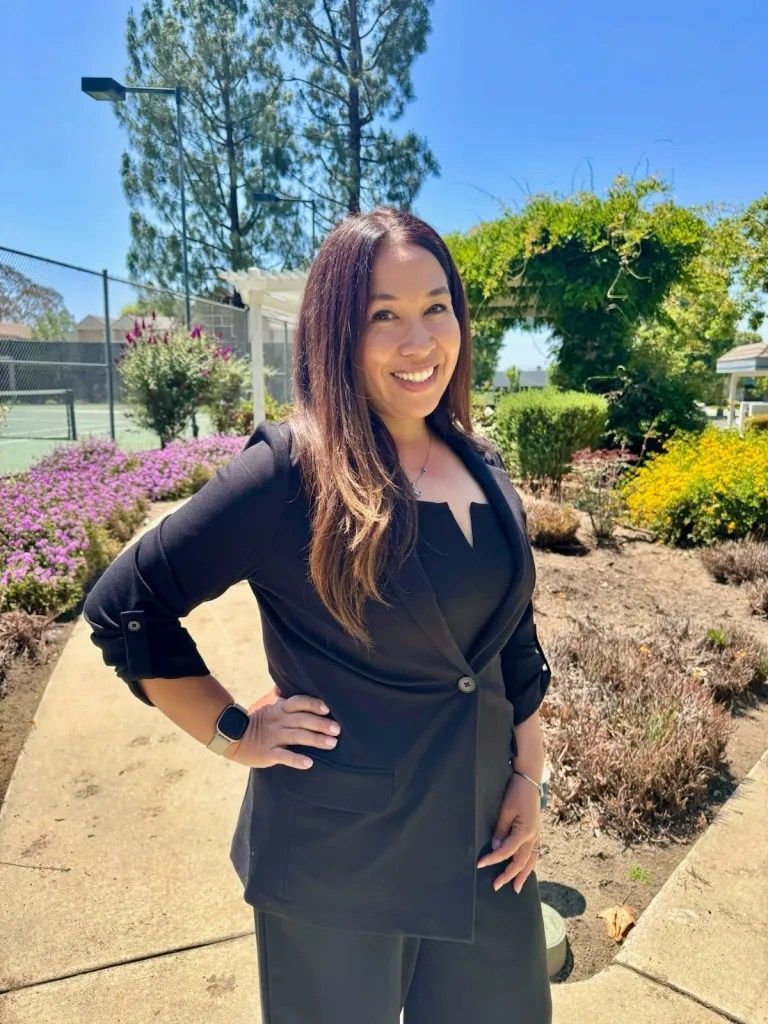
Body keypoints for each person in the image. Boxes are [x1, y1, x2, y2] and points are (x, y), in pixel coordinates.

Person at [83, 205, 553, 1023]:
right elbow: (127, 605)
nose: (420, 342)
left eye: (436, 306)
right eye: (384, 316)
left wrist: (526, 775)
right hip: (341, 863)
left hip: (482, 848)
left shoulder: (484, 463)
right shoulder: (291, 473)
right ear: (335, 332)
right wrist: (233, 731)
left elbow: (512, 633)